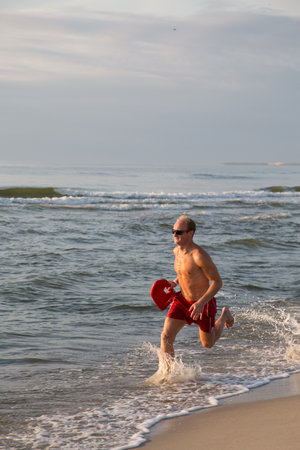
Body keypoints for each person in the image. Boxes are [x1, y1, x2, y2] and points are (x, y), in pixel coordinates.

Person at [161, 215, 234, 358]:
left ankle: (225, 314)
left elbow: (217, 282)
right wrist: (175, 282)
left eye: (179, 232)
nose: (175, 235)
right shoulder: (176, 251)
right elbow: (185, 273)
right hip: (182, 301)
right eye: (173, 231)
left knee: (208, 344)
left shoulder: (200, 256)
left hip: (202, 304)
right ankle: (169, 376)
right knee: (165, 337)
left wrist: (201, 303)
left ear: (190, 233)